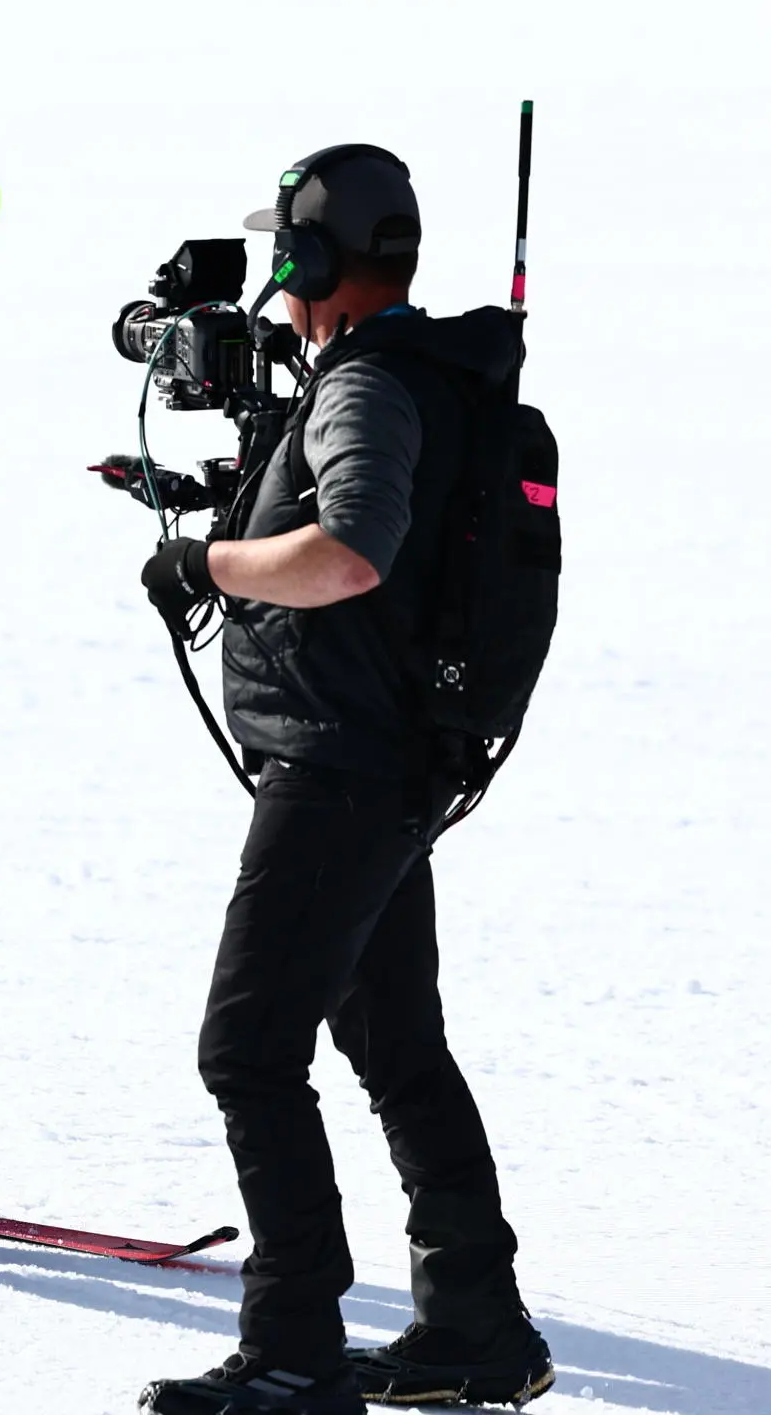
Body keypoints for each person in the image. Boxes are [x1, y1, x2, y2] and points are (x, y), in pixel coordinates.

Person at [134, 146, 552, 1415]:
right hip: (392, 755)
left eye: (286, 254)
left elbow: (354, 554)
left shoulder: (366, 387)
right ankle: (475, 1320)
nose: (276, 277)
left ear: (314, 262)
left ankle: (295, 1350)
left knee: (248, 1050)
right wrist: (226, 505)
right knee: (390, 1034)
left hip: (342, 763)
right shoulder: (411, 371)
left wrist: (208, 564)